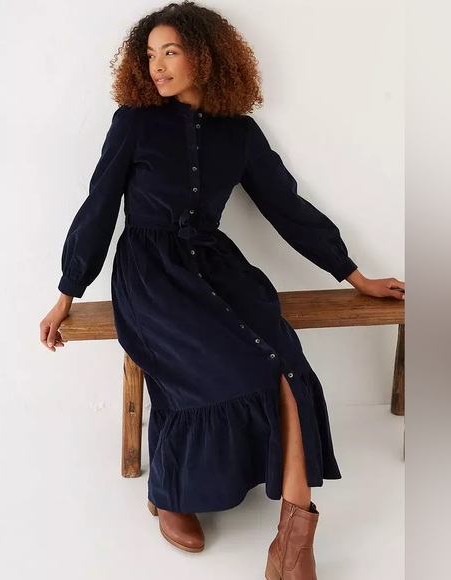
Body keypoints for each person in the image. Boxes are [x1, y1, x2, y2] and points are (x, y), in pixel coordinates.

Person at [40, 2, 405, 578]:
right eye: (151, 54)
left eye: (171, 52)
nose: (158, 66)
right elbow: (100, 204)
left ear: (205, 56)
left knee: (287, 367)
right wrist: (68, 290)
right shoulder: (134, 122)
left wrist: (354, 275)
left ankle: (294, 541)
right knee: (219, 369)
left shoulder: (240, 132)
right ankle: (170, 493)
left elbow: (287, 206)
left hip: (218, 270)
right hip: (151, 275)